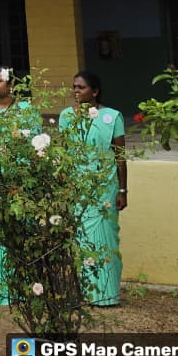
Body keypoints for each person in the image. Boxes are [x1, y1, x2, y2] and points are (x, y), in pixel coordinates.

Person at [58, 71, 127, 307]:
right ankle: (86, 293)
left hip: (105, 186)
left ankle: (107, 294)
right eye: (74, 87)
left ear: (95, 91)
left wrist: (123, 191)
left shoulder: (112, 117)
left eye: (81, 87)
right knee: (82, 240)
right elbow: (64, 154)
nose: (76, 91)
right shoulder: (67, 116)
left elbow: (120, 157)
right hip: (78, 186)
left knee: (106, 239)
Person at [0, 66, 38, 305]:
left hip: (17, 179)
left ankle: (20, 289)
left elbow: (35, 146)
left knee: (19, 231)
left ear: (11, 85)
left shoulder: (25, 110)